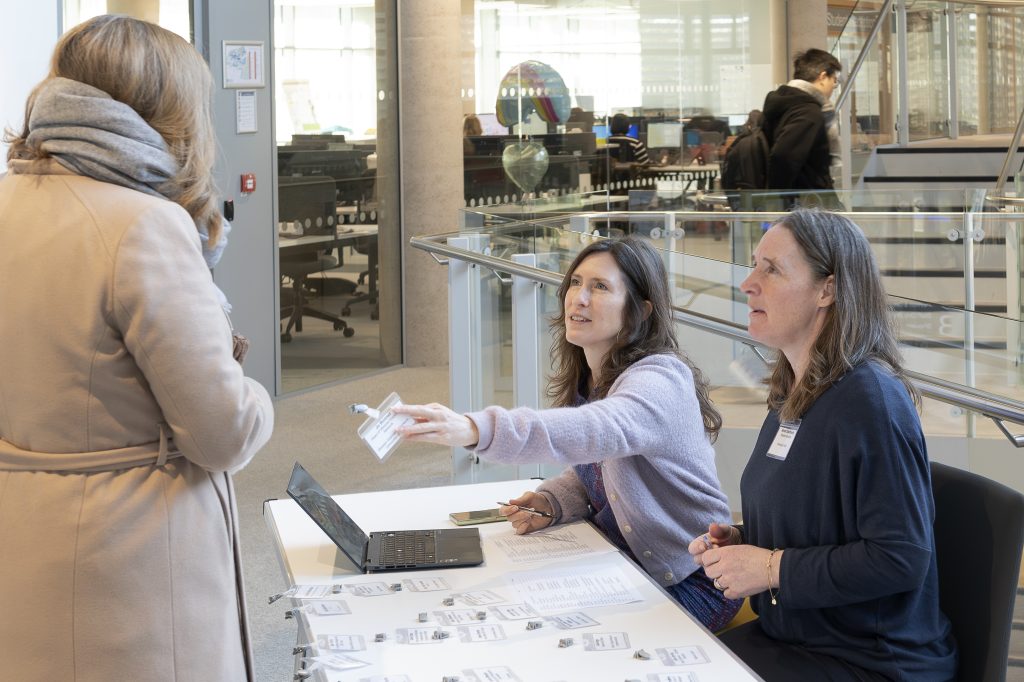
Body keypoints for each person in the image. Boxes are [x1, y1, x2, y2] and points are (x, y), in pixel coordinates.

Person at [0, 15, 274, 681]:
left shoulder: (9, 201)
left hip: (23, 533)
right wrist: (259, 399)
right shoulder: (143, 224)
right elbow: (222, 432)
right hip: (130, 563)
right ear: (170, 108)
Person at [393, 236, 741, 631]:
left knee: (544, 631)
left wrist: (475, 429)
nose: (579, 298)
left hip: (695, 581)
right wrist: (553, 501)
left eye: (600, 287)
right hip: (620, 563)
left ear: (640, 311)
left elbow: (596, 431)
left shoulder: (661, 379)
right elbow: (602, 468)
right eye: (576, 282)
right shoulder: (592, 379)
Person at [689, 209, 957, 681]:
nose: (748, 284)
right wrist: (745, 544)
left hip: (869, 662)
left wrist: (771, 567)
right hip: (795, 640)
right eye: (753, 266)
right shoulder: (792, 393)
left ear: (827, 290)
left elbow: (900, 558)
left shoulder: (870, 400)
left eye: (772, 269)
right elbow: (821, 521)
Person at [761, 49, 842, 203]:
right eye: (834, 80)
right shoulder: (808, 112)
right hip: (807, 202)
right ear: (822, 77)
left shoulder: (785, 103)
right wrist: (779, 201)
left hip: (796, 200)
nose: (833, 86)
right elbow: (783, 156)